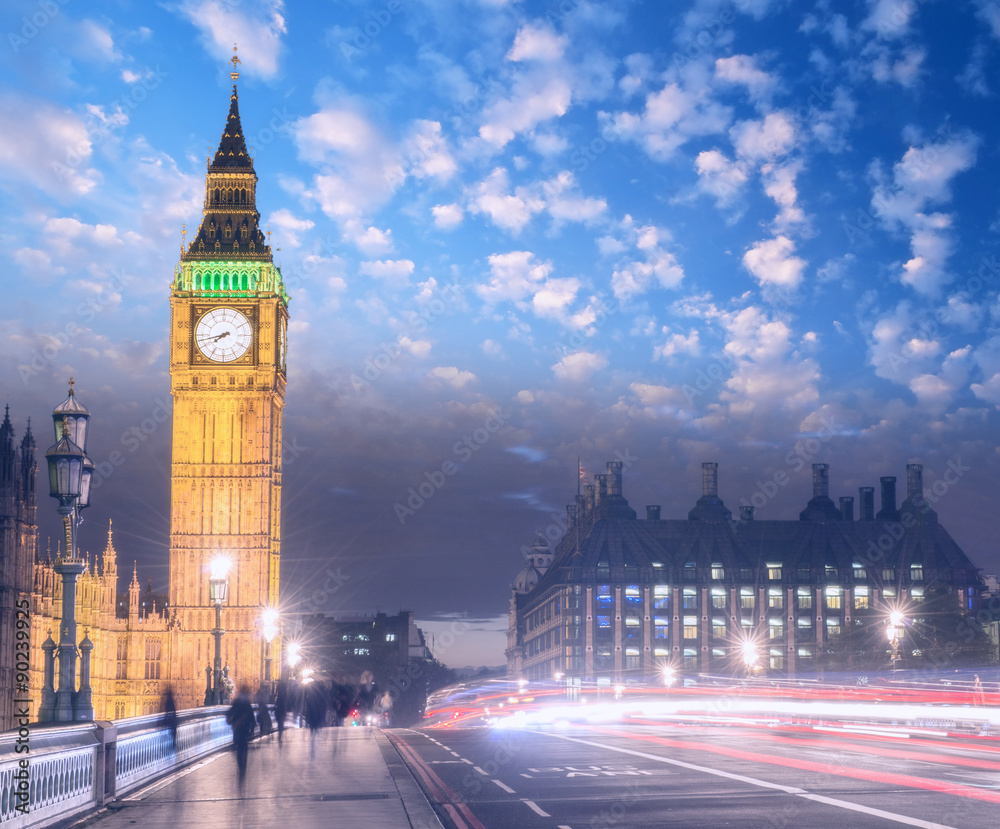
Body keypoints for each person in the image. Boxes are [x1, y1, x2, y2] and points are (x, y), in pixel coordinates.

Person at [225, 686, 255, 790]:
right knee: (244, 748)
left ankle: (240, 767)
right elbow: (252, 717)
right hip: (245, 730)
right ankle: (243, 769)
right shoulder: (247, 703)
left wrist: (229, 720)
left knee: (238, 749)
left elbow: (230, 713)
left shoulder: (236, 701)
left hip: (237, 730)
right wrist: (251, 730)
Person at [274, 680, 288, 745]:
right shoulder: (284, 695)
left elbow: (276, 694)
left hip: (279, 708)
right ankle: (280, 731)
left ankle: (280, 731)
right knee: (281, 721)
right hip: (282, 708)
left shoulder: (279, 697)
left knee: (279, 721)